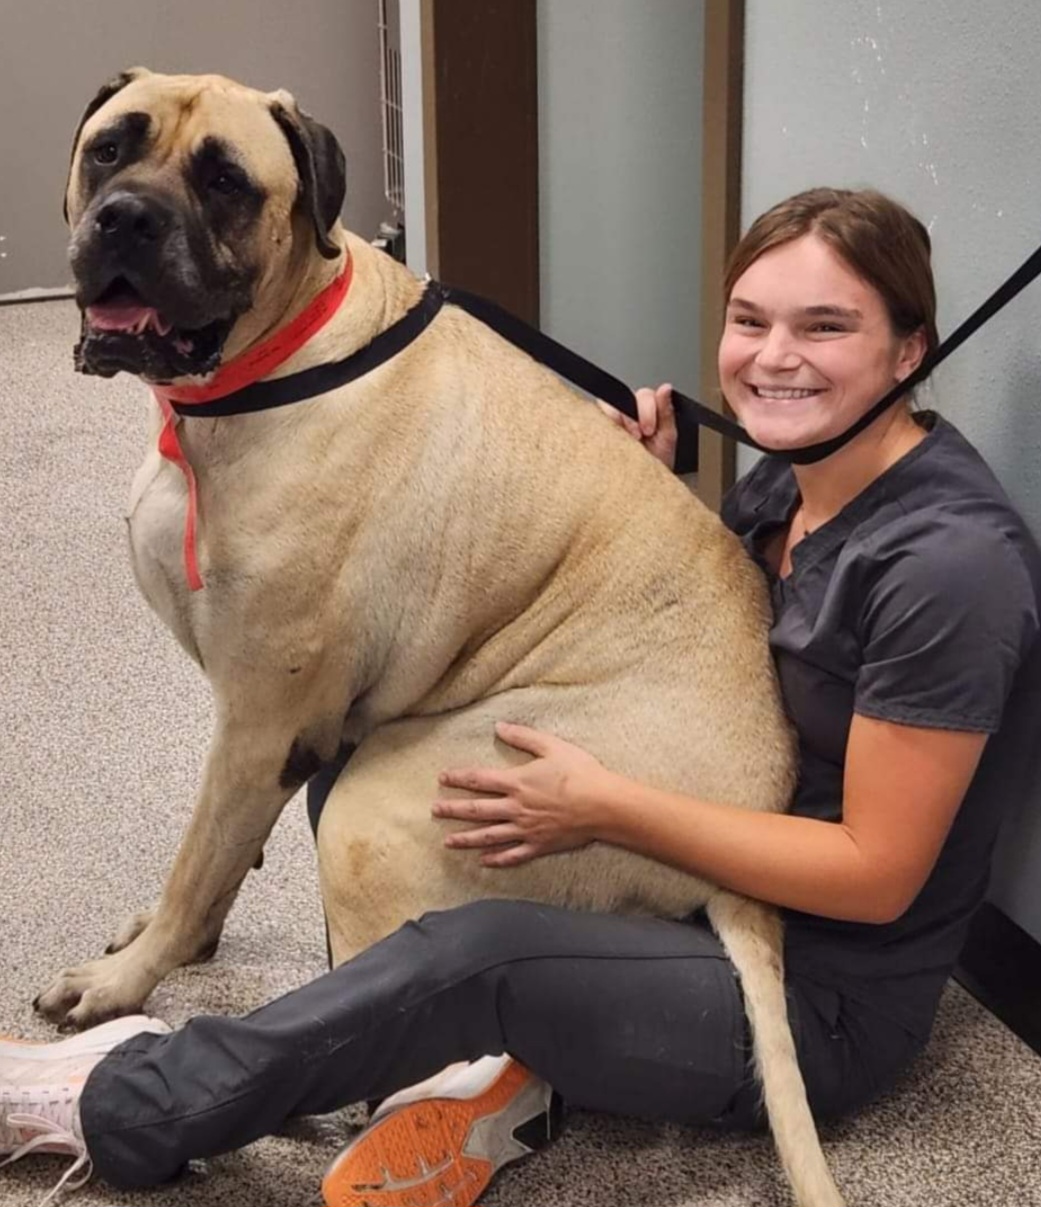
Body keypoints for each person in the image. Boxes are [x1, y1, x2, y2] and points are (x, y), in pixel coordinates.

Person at [3, 187, 1040, 1207]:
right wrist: (642, 500)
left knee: (476, 959)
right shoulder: (797, 476)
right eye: (749, 320)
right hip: (710, 866)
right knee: (371, 781)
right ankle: (457, 1078)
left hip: (813, 994)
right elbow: (731, 650)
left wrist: (607, 807)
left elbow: (877, 875)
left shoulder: (950, 570)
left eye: (826, 327)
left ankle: (122, 1100)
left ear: (910, 350)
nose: (774, 357)